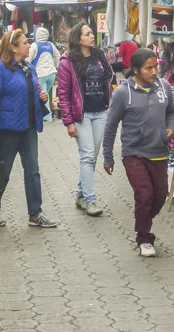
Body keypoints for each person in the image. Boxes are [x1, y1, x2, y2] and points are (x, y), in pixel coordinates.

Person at [103, 48, 174, 257]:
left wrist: (170, 127)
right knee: (144, 195)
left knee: (160, 196)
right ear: (136, 70)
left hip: (159, 151)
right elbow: (110, 126)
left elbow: (171, 111)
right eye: (148, 68)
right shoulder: (122, 93)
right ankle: (144, 237)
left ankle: (142, 219)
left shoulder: (164, 86)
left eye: (156, 67)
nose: (154, 71)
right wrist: (108, 156)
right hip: (134, 153)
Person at [0, 29, 56, 228]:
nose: (29, 45)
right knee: (2, 172)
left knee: (33, 171)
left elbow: (32, 91)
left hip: (29, 128)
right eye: (24, 43)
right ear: (14, 47)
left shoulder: (28, 68)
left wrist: (42, 97)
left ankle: (35, 213)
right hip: (8, 129)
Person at [57, 22, 113, 217]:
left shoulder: (98, 56)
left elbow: (109, 76)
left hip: (100, 112)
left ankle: (80, 194)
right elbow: (63, 94)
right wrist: (68, 122)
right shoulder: (67, 62)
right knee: (88, 156)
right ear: (78, 38)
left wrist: (101, 55)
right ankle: (90, 200)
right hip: (81, 115)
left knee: (92, 157)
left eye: (92, 33)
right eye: (87, 33)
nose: (92, 36)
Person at [28, 28, 61, 123]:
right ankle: (43, 113)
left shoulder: (34, 45)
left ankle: (47, 116)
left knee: (43, 94)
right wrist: (56, 66)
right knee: (46, 93)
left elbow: (28, 59)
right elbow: (58, 56)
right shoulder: (51, 45)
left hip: (40, 74)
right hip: (52, 74)